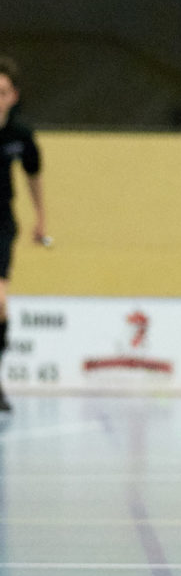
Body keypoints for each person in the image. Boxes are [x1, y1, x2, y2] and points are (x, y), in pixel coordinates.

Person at [0, 57, 49, 413]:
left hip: (1, 221)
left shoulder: (21, 134)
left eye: (2, 92)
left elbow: (33, 175)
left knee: (0, 304)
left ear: (14, 96)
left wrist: (41, 218)